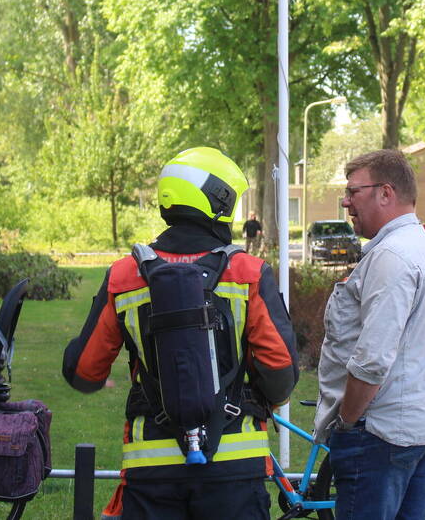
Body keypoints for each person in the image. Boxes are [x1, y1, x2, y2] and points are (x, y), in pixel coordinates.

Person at [62, 147, 299, 519]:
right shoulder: (248, 273)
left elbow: (85, 372)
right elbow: (281, 373)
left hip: (151, 467)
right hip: (234, 465)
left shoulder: (125, 276)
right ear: (218, 200)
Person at [313, 149, 425, 520]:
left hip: (381, 432)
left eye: (353, 192)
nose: (346, 202)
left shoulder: (392, 256)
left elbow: (372, 359)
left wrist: (346, 422)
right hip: (422, 425)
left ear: (385, 193)